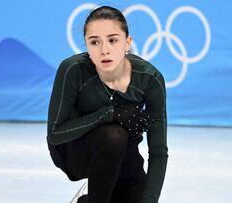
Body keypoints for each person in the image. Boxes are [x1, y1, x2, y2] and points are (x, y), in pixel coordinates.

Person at [47, 5, 168, 203]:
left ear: (127, 43)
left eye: (113, 40)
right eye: (95, 42)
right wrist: (110, 114)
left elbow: (158, 150)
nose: (104, 50)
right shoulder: (72, 70)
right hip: (75, 153)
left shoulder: (149, 79)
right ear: (86, 45)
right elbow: (54, 134)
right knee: (114, 135)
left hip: (125, 158)